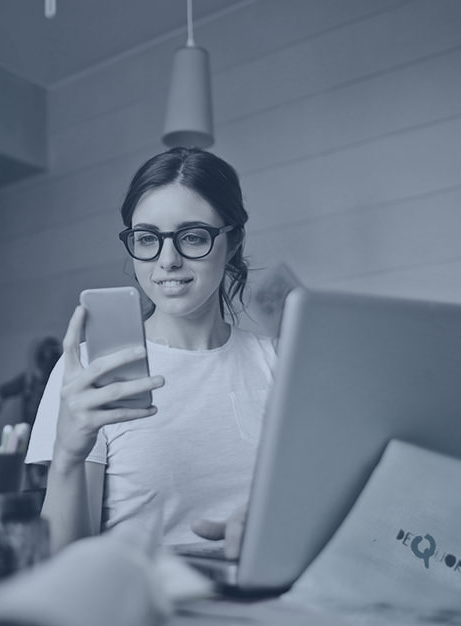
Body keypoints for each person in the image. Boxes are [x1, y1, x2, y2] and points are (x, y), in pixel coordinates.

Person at [25, 147, 276, 555]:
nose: (168, 260)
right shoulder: (91, 371)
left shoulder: (277, 363)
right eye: (147, 239)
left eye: (192, 237)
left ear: (232, 243)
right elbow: (64, 563)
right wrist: (68, 455)